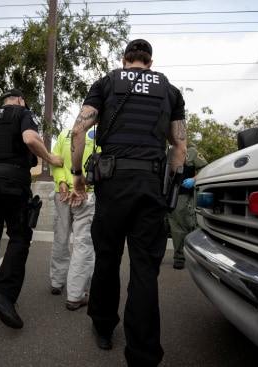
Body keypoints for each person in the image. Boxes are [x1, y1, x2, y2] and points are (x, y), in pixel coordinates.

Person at [68, 39, 187, 366]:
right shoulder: (170, 91)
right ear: (149, 62)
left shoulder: (106, 83)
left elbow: (78, 132)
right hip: (151, 185)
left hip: (112, 183)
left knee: (106, 258)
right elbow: (179, 148)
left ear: (124, 60)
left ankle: (104, 328)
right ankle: (143, 353)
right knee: (145, 269)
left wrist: (78, 174)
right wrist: (171, 187)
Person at [0, 88, 63, 329]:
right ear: (21, 100)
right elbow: (30, 139)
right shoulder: (22, 113)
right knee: (20, 236)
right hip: (13, 184)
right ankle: (2, 293)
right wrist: (50, 159)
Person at [50, 127, 97, 310]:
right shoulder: (99, 136)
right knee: (83, 244)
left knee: (60, 238)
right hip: (85, 194)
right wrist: (81, 187)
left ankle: (57, 282)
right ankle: (75, 295)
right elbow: (101, 165)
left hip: (61, 193)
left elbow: (56, 159)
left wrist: (62, 182)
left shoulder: (64, 134)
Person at [167, 144, 207, 270]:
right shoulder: (166, 150)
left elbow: (205, 169)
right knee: (159, 227)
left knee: (180, 228)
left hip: (182, 195)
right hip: (163, 194)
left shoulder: (191, 152)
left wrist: (194, 180)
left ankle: (180, 257)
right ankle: (154, 256)